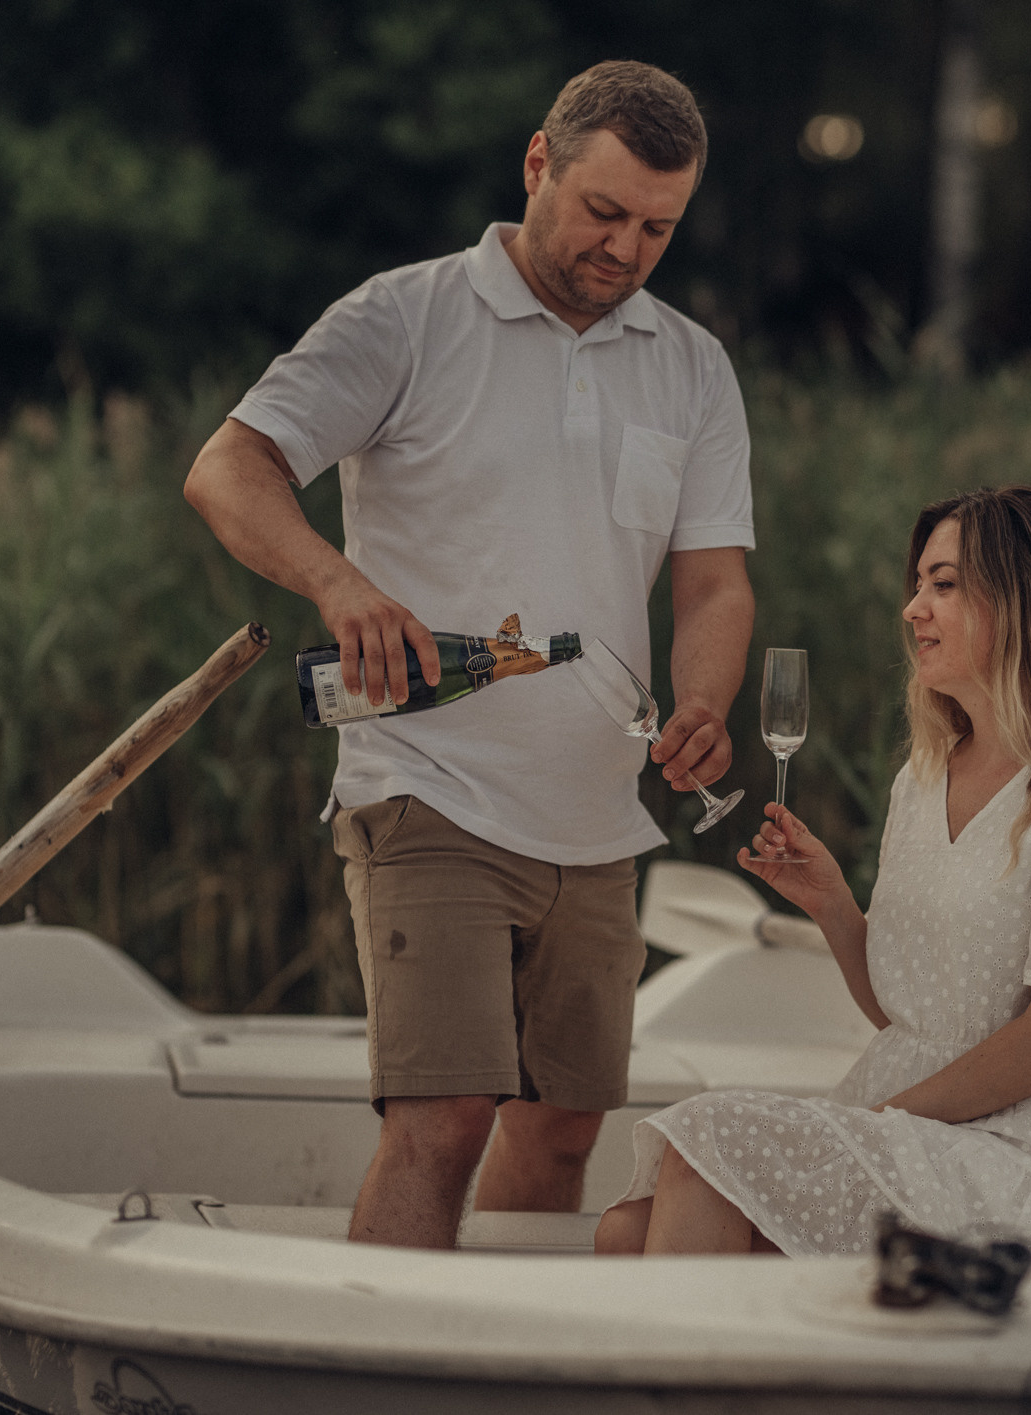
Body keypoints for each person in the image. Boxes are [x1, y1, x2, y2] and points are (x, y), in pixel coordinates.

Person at [184, 61, 756, 1249]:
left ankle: (503, 1365)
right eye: (605, 212)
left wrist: (703, 695)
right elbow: (227, 470)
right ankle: (378, 1371)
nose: (627, 247)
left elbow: (712, 582)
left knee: (561, 1129)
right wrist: (341, 584)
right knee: (443, 1115)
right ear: (537, 163)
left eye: (658, 227)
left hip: (599, 815)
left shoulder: (692, 364)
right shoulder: (405, 316)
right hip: (426, 785)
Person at [595, 486, 1031, 1275]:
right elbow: (908, 1009)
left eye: (943, 585)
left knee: (709, 1139)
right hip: (924, 1125)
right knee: (622, 1230)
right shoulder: (923, 776)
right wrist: (832, 904)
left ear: (1026, 601)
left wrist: (874, 1122)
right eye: (917, 584)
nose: (914, 608)